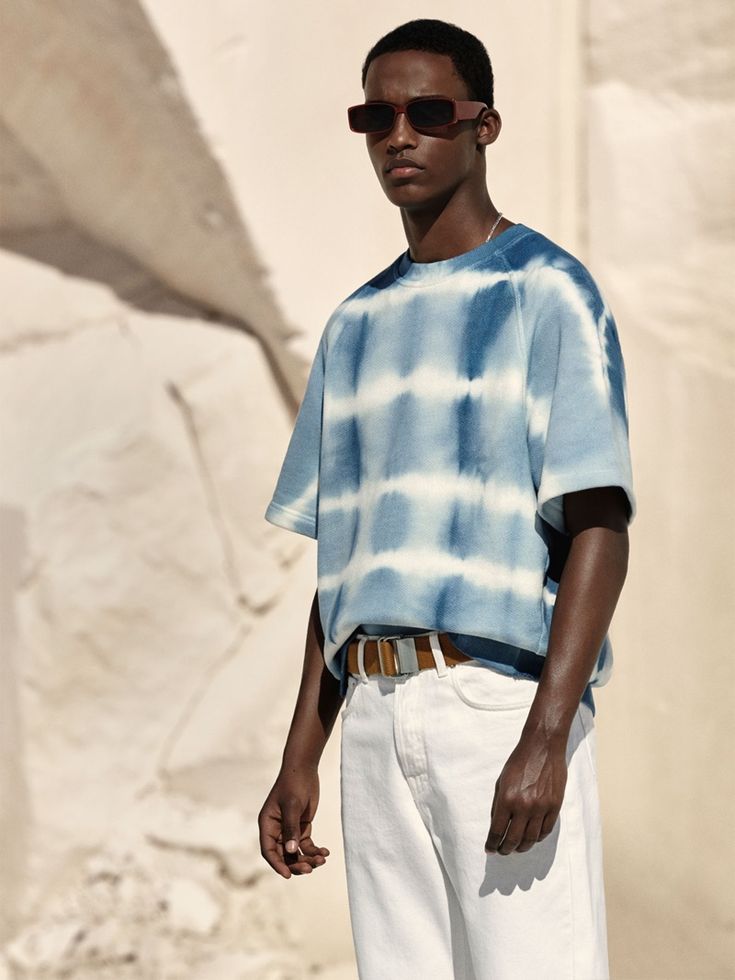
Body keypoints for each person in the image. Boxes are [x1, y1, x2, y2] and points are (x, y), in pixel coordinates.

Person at [258, 17, 635, 980]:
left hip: (495, 705)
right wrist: (301, 754)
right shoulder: (353, 327)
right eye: (374, 116)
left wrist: (547, 732)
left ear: (483, 126)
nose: (398, 135)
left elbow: (599, 522)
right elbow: (343, 564)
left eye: (428, 111)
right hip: (375, 716)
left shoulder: (547, 293)